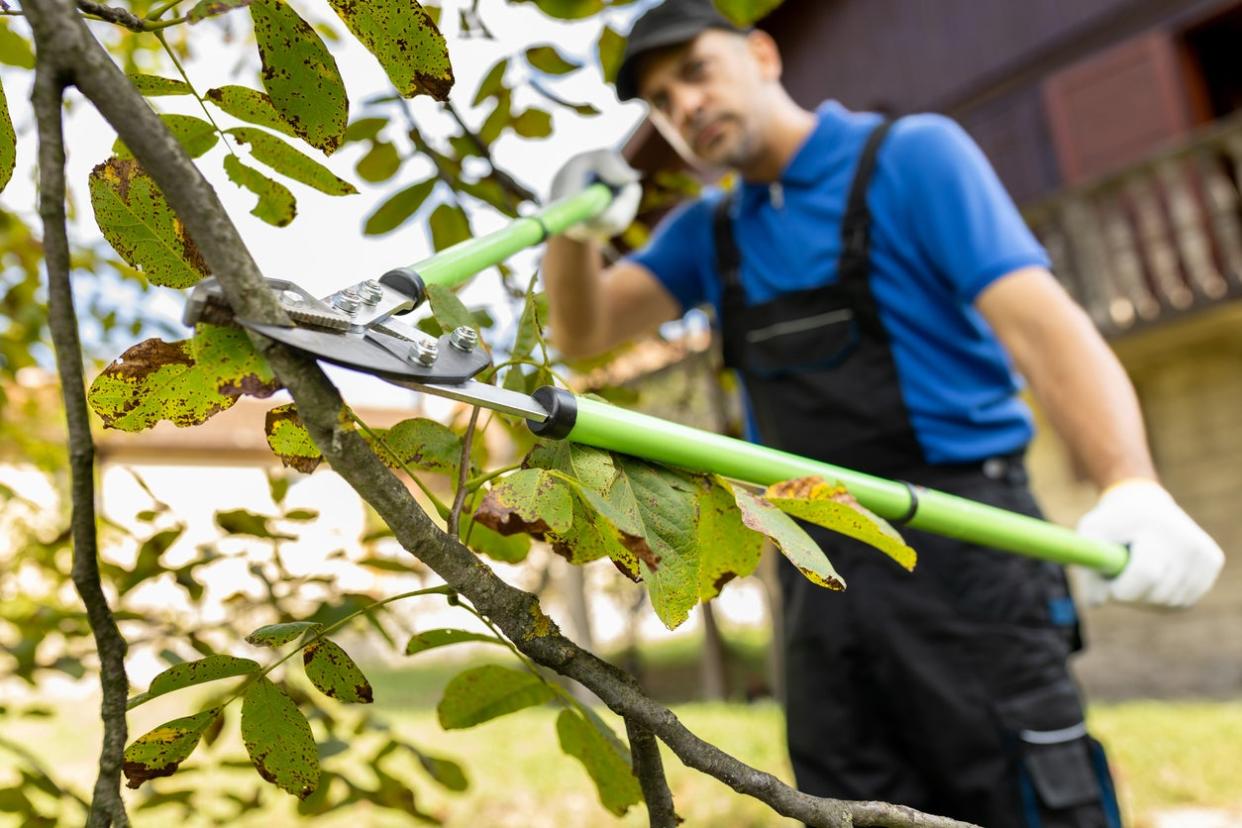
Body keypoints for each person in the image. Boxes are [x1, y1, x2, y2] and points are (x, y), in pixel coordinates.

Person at [540, 2, 1226, 826]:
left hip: (968, 546)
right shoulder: (710, 232)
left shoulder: (913, 159)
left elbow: (1042, 329)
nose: (683, 107)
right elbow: (583, 334)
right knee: (851, 804)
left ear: (762, 54)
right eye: (658, 101)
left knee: (1024, 797)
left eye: (695, 72)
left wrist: (1132, 485)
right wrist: (574, 230)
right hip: (818, 562)